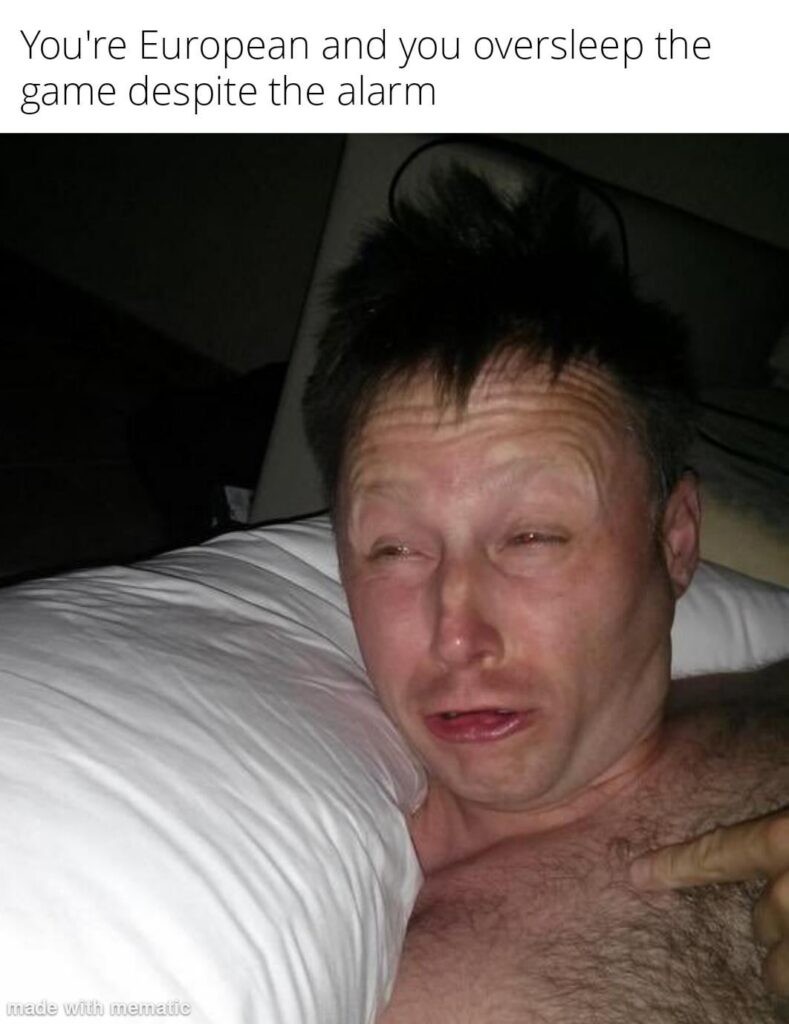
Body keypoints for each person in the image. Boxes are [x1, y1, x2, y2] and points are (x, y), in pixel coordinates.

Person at [303, 167, 789, 1021]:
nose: (457, 636)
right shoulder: (434, 988)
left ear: (675, 542)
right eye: (394, 548)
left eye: (531, 536)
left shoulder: (763, 696)